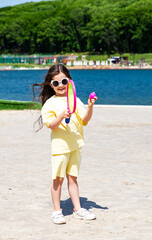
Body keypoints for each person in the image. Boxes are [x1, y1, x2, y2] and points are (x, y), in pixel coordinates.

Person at [33, 63, 97, 224]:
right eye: (56, 83)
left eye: (64, 81)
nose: (60, 85)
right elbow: (51, 126)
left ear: (69, 81)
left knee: (73, 178)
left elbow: (85, 120)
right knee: (58, 179)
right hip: (60, 148)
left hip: (76, 145)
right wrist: (61, 116)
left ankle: (77, 209)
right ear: (50, 84)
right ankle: (56, 211)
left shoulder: (75, 99)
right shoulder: (50, 104)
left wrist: (90, 107)